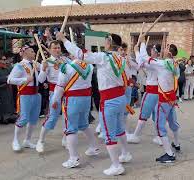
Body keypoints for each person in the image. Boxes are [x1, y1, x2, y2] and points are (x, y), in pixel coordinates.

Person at [57, 32, 132, 176]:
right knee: (119, 128)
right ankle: (125, 153)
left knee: (110, 134)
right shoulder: (121, 59)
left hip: (109, 99)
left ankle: (116, 165)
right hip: (121, 98)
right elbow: (127, 78)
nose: (104, 44)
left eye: (105, 41)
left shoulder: (104, 57)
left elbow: (80, 54)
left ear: (109, 43)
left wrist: (64, 40)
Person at [137, 35, 180, 163]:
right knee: (173, 122)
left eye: (166, 47)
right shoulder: (174, 63)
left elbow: (145, 58)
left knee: (160, 126)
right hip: (172, 98)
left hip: (164, 99)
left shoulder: (162, 64)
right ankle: (176, 144)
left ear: (169, 52)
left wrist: (143, 43)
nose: (163, 48)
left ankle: (169, 154)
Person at [51, 56, 99, 168]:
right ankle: (93, 147)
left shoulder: (66, 67)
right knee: (84, 125)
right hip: (86, 99)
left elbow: (59, 87)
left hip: (72, 99)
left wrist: (55, 100)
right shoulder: (89, 66)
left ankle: (73, 158)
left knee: (70, 128)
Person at [126, 43, 163, 146]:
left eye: (151, 50)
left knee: (144, 114)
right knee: (157, 115)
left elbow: (141, 61)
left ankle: (136, 135)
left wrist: (138, 48)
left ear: (155, 52)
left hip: (152, 92)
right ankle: (160, 137)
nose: (150, 52)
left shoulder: (154, 62)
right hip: (159, 92)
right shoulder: (161, 62)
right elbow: (142, 61)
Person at [7, 45, 41, 152]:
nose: (34, 53)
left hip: (36, 94)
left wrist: (44, 67)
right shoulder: (19, 66)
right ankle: (15, 140)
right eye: (32, 51)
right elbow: (10, 80)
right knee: (24, 118)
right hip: (25, 95)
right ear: (25, 53)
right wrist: (25, 79)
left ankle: (27, 140)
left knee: (34, 119)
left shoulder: (35, 64)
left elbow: (44, 71)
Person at [36, 40, 68, 153]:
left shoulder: (65, 60)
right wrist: (43, 69)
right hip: (54, 92)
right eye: (54, 48)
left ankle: (66, 138)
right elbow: (40, 80)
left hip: (67, 91)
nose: (57, 50)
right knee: (52, 116)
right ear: (49, 50)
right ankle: (40, 141)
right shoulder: (47, 62)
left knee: (67, 116)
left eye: (58, 47)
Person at [0, 55, 16, 124]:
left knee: (9, 103)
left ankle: (10, 117)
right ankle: (3, 118)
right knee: (3, 104)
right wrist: (6, 77)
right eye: (3, 59)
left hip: (8, 88)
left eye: (5, 59)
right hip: (0, 89)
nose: (5, 61)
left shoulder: (6, 67)